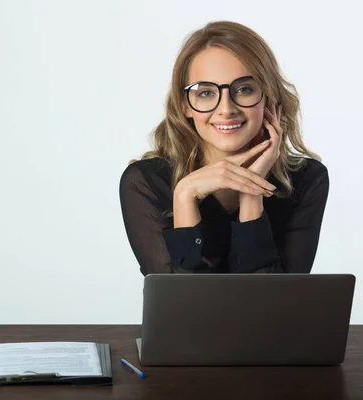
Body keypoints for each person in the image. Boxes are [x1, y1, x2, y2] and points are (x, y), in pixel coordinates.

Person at [119, 21, 329, 275]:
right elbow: (182, 309)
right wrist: (185, 196)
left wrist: (252, 194)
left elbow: (274, 307)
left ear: (269, 97)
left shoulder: (306, 179)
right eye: (205, 93)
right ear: (185, 104)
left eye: (244, 89)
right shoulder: (146, 182)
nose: (226, 109)